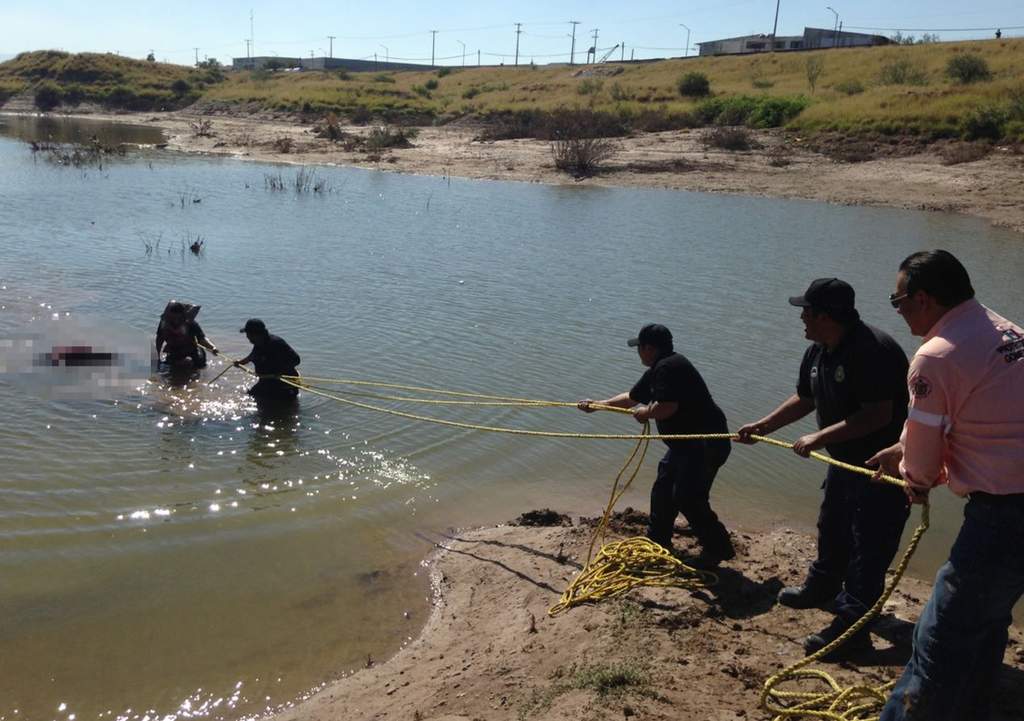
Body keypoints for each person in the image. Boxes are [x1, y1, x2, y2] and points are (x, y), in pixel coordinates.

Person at [867, 250, 1024, 721]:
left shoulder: (935, 355)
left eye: (898, 302)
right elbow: (982, 410)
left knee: (938, 639)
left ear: (923, 298)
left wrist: (915, 480)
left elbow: (922, 458)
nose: (897, 312)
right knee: (989, 621)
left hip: (1004, 514)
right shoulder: (1005, 331)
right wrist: (906, 447)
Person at [736, 278, 910, 659]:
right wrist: (763, 426)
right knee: (832, 527)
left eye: (806, 312)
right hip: (843, 463)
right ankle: (823, 587)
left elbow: (877, 415)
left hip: (881, 470)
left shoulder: (872, 351)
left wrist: (818, 437)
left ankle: (852, 630)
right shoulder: (819, 350)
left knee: (868, 549)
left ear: (826, 316)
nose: (801, 319)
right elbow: (805, 397)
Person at [577, 323, 735, 565]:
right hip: (685, 447)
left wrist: (646, 413)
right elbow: (632, 398)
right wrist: (598, 405)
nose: (638, 352)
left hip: (705, 444)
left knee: (688, 497)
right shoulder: (660, 367)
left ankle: (719, 548)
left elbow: (667, 407)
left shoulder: (668, 367)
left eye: (639, 348)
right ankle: (658, 539)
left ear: (649, 348)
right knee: (664, 487)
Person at [235, 318, 301, 402]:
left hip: (284, 384)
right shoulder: (258, 344)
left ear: (257, 334)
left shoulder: (276, 343)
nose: (247, 337)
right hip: (267, 382)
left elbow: (296, 360)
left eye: (248, 334)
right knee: (251, 396)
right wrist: (240, 362)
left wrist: (279, 372)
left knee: (278, 407)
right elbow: (251, 357)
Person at [155, 301, 217, 372]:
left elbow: (202, 339)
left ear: (182, 316)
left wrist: (212, 348)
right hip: (174, 349)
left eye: (177, 318)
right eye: (173, 318)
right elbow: (159, 339)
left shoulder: (191, 324)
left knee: (200, 365)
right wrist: (158, 356)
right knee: (171, 368)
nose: (175, 321)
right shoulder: (164, 324)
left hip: (192, 348)